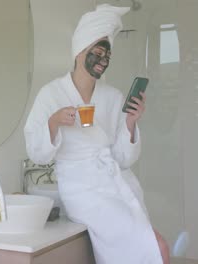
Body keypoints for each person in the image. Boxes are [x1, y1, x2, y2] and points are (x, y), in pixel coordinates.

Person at [24, 4, 170, 264]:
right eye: (98, 52)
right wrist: (54, 122)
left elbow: (123, 159)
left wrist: (131, 123)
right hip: (82, 189)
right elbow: (36, 152)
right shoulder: (51, 94)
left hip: (115, 182)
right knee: (155, 247)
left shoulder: (112, 97)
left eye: (107, 55)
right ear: (80, 52)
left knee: (155, 248)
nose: (104, 60)